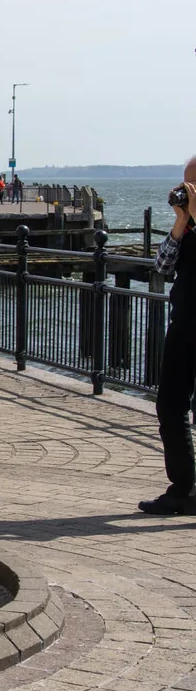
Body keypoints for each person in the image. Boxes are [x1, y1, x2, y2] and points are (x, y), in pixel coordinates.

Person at [139, 158, 196, 515]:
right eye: (187, 184)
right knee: (170, 405)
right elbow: (160, 267)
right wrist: (179, 222)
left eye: (193, 186)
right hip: (185, 324)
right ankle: (182, 489)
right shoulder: (185, 226)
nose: (187, 192)